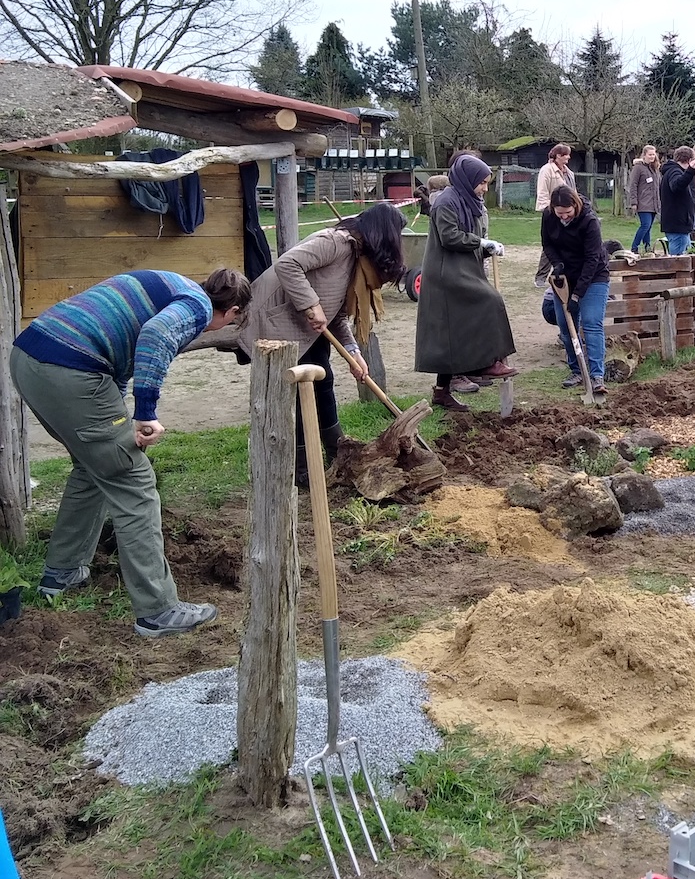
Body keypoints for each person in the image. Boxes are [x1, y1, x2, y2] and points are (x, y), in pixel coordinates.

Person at [12, 267, 251, 637]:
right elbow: (156, 335)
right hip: (70, 369)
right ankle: (158, 610)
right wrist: (145, 413)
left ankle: (62, 573)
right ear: (232, 310)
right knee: (133, 481)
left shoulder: (173, 285)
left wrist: (121, 420)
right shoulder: (197, 305)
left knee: (94, 465)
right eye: (234, 320)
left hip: (29, 358)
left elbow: (117, 361)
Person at [237, 202, 408, 479]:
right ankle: (302, 468)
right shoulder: (334, 242)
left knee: (324, 383)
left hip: (309, 329)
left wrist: (353, 352)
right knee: (299, 395)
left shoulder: (356, 256)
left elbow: (334, 312)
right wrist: (310, 304)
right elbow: (287, 264)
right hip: (280, 325)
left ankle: (337, 452)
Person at [414, 154, 516, 410]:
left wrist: (486, 248)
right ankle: (487, 363)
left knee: (453, 334)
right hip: (445, 273)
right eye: (482, 183)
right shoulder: (446, 202)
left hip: (462, 268)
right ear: (467, 179)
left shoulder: (469, 202)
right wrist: (480, 242)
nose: (485, 189)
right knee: (489, 301)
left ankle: (442, 392)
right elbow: (449, 237)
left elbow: (472, 236)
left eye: (487, 183)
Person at [542, 186, 611, 396]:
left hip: (594, 275)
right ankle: (577, 370)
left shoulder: (589, 221)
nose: (564, 217)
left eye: (567, 212)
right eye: (559, 213)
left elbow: (592, 259)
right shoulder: (549, 216)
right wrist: (557, 264)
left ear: (575, 205)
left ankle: (597, 376)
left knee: (591, 323)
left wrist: (576, 295)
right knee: (565, 326)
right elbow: (547, 244)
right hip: (565, 277)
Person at [534, 143, 575, 282]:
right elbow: (542, 192)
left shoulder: (569, 173)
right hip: (553, 212)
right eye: (566, 155)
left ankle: (564, 273)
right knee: (551, 243)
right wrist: (549, 211)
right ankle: (541, 277)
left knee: (568, 242)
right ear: (558, 155)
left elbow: (573, 193)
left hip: (569, 213)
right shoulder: (546, 170)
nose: (568, 157)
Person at [659, 145, 695, 255]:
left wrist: (694, 207)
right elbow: (676, 186)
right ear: (690, 160)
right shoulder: (675, 171)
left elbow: (681, 195)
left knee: (687, 256)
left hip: (679, 225)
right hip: (678, 225)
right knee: (679, 260)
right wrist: (691, 171)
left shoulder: (672, 171)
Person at [627, 145, 661, 254]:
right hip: (643, 203)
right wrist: (634, 202)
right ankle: (634, 247)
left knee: (648, 227)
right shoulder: (638, 168)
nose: (652, 156)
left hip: (653, 204)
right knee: (645, 225)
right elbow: (633, 185)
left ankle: (647, 248)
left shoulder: (654, 168)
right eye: (650, 154)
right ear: (644, 155)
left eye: (653, 154)